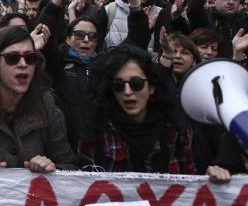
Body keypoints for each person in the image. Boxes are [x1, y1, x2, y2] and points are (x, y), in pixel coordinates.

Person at [0, 26, 78, 174]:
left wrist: (51, 169)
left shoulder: (46, 105)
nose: (23, 64)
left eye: (30, 58)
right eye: (12, 58)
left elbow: (69, 166)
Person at [77, 45, 197, 174]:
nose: (127, 91)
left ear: (151, 87)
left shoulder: (175, 130)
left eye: (136, 84)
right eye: (118, 85)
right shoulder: (97, 130)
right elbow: (85, 182)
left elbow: (190, 178)